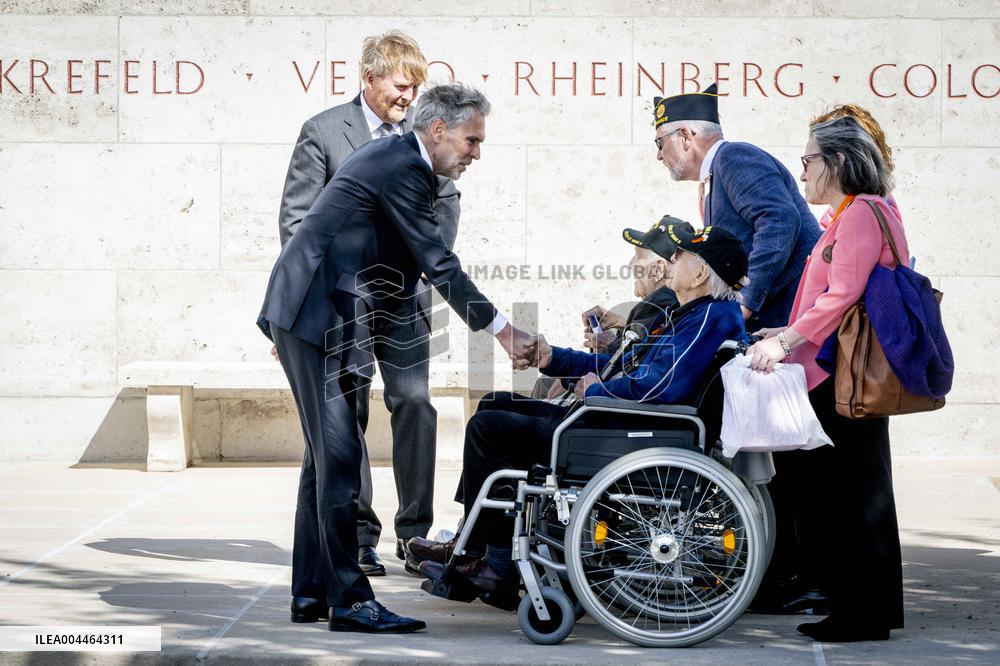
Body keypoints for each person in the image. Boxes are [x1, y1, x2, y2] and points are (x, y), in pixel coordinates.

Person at [257, 83, 535, 633]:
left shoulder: (399, 158)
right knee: (337, 456)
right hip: (319, 317)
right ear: (438, 130)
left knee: (324, 458)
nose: (475, 153)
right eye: (471, 140)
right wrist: (503, 331)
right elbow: (438, 262)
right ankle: (351, 601)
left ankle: (312, 593)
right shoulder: (403, 166)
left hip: (319, 314)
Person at [415, 221, 751, 597]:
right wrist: (551, 358)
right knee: (495, 403)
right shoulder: (690, 314)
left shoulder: (708, 316)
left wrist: (600, 389)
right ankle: (475, 544)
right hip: (620, 421)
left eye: (682, 256)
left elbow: (660, 386)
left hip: (628, 432)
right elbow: (622, 366)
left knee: (491, 429)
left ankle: (493, 564)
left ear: (701, 272)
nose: (672, 260)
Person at [277, 31, 460, 577]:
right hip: (340, 304)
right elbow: (296, 223)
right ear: (371, 77)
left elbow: (446, 201)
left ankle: (415, 534)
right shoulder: (324, 132)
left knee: (414, 402)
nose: (408, 98)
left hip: (404, 298)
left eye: (415, 89)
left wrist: (424, 254)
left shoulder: (426, 135)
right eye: (402, 87)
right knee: (345, 416)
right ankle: (357, 536)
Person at [746, 115, 907, 642]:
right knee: (862, 491)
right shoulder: (868, 210)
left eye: (809, 159)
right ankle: (869, 608)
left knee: (846, 494)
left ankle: (859, 613)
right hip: (843, 369)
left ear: (837, 162)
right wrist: (787, 327)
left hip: (839, 375)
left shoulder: (860, 213)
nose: (803, 171)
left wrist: (785, 343)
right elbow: (832, 296)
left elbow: (842, 296)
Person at [652, 84, 820, 330]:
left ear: (686, 136)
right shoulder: (716, 172)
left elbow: (779, 220)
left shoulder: (733, 157)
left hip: (789, 308)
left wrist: (745, 302)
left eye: (659, 143)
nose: (658, 155)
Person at [530, 222, 680, 400]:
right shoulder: (667, 305)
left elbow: (633, 367)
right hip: (611, 392)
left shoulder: (660, 305)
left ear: (658, 269)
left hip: (611, 404)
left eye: (637, 257)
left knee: (539, 389)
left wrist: (572, 379)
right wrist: (619, 326)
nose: (630, 264)